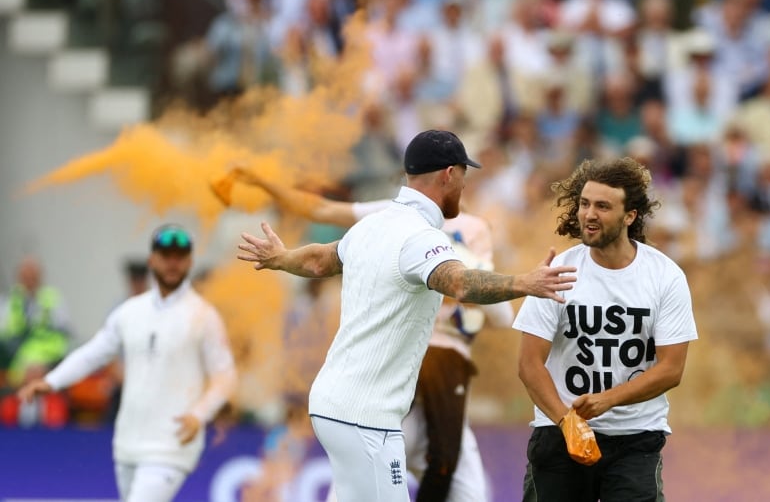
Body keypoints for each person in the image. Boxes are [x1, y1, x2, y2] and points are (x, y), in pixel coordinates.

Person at [237, 129, 577, 502]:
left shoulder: (372, 224)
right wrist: (524, 282)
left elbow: (320, 260)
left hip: (333, 405)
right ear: (449, 173)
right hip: (365, 417)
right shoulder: (422, 238)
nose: (465, 185)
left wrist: (283, 258)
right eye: (464, 173)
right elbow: (460, 284)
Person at [513, 157, 698, 501]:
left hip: (635, 439)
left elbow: (671, 369)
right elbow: (528, 364)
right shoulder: (559, 271)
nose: (588, 214)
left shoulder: (665, 276)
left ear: (630, 216)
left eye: (602, 206)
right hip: (559, 433)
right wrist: (568, 423)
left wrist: (606, 401)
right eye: (584, 204)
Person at [18, 224, 237, 502]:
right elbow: (94, 353)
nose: (173, 262)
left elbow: (225, 376)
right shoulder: (130, 312)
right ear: (151, 260)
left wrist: (200, 414)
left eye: (180, 256)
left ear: (190, 262)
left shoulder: (204, 316)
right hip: (127, 444)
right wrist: (51, 381)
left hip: (172, 445)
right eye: (165, 255)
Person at [0, 255, 71, 388]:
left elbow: (64, 336)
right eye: (25, 277)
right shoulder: (10, 301)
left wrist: (44, 364)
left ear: (40, 277)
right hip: (16, 362)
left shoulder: (53, 298)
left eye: (33, 277)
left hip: (49, 362)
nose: (29, 281)